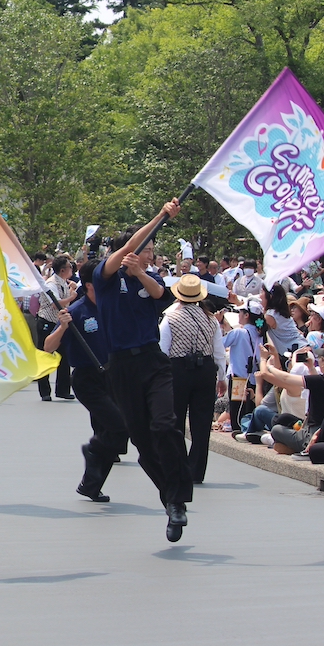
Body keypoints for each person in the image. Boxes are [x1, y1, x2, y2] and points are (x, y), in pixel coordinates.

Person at [93, 199, 193, 542]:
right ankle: (169, 497)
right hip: (120, 366)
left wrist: (140, 272)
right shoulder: (103, 276)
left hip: (152, 360)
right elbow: (126, 251)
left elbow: (159, 294)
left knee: (165, 425)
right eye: (145, 248)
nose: (149, 254)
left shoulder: (146, 276)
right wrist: (161, 216)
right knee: (142, 441)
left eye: (151, 250)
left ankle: (179, 498)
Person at [43, 261, 128, 503]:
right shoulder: (77, 311)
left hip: (112, 375)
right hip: (87, 378)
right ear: (90, 284)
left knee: (112, 435)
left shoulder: (111, 306)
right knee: (118, 426)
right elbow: (48, 346)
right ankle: (92, 450)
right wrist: (63, 327)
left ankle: (91, 485)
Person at [159, 275, 227, 484]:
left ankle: (177, 465)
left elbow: (162, 349)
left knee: (175, 419)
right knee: (202, 422)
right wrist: (222, 376)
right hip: (205, 370)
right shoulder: (210, 319)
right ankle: (197, 470)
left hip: (178, 369)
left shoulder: (170, 318)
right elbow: (219, 351)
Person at [260, 344, 324, 462]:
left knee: (277, 429)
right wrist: (311, 368)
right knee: (282, 418)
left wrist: (268, 365)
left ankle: (296, 445)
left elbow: (286, 378)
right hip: (321, 429)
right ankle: (297, 444)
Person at [37, 256, 77, 400]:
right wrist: (72, 297)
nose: (72, 269)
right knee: (45, 354)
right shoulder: (50, 283)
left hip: (60, 322)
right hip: (47, 320)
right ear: (62, 270)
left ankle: (63, 389)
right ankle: (45, 391)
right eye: (69, 267)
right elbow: (56, 303)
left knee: (64, 355)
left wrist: (71, 290)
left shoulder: (64, 283)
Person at [222, 299, 264, 432]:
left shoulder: (238, 332)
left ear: (247, 315)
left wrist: (220, 324)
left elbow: (219, 344)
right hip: (254, 379)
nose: (238, 314)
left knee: (237, 414)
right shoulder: (260, 334)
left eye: (240, 312)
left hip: (238, 379)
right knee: (248, 412)